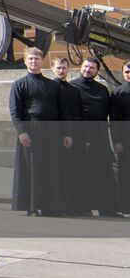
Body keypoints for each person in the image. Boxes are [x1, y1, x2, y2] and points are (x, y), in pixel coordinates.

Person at [10, 47, 72, 217]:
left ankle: (52, 206)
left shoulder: (53, 85)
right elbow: (15, 112)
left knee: (52, 168)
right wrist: (21, 132)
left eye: (36, 59)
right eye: (30, 59)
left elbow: (63, 111)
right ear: (25, 61)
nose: (34, 62)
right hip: (31, 130)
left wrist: (66, 133)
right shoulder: (19, 85)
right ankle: (33, 205)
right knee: (33, 169)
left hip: (52, 132)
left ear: (42, 60)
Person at [69, 56, 120, 217]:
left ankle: (108, 209)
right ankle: (84, 208)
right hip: (81, 137)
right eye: (86, 67)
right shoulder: (71, 88)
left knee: (104, 174)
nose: (87, 70)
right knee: (84, 175)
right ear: (80, 68)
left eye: (92, 68)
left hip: (100, 137)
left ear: (97, 71)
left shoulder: (102, 89)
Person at [51, 56, 87, 214]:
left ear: (68, 69)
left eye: (64, 68)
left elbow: (79, 114)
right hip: (55, 134)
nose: (61, 71)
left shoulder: (74, 90)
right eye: (58, 68)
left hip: (74, 134)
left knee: (75, 172)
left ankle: (76, 206)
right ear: (52, 69)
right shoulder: (49, 87)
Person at [112, 61, 130, 212]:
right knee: (125, 173)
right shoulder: (117, 92)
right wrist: (116, 141)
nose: (129, 74)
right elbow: (114, 119)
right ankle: (125, 206)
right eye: (127, 72)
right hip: (125, 137)